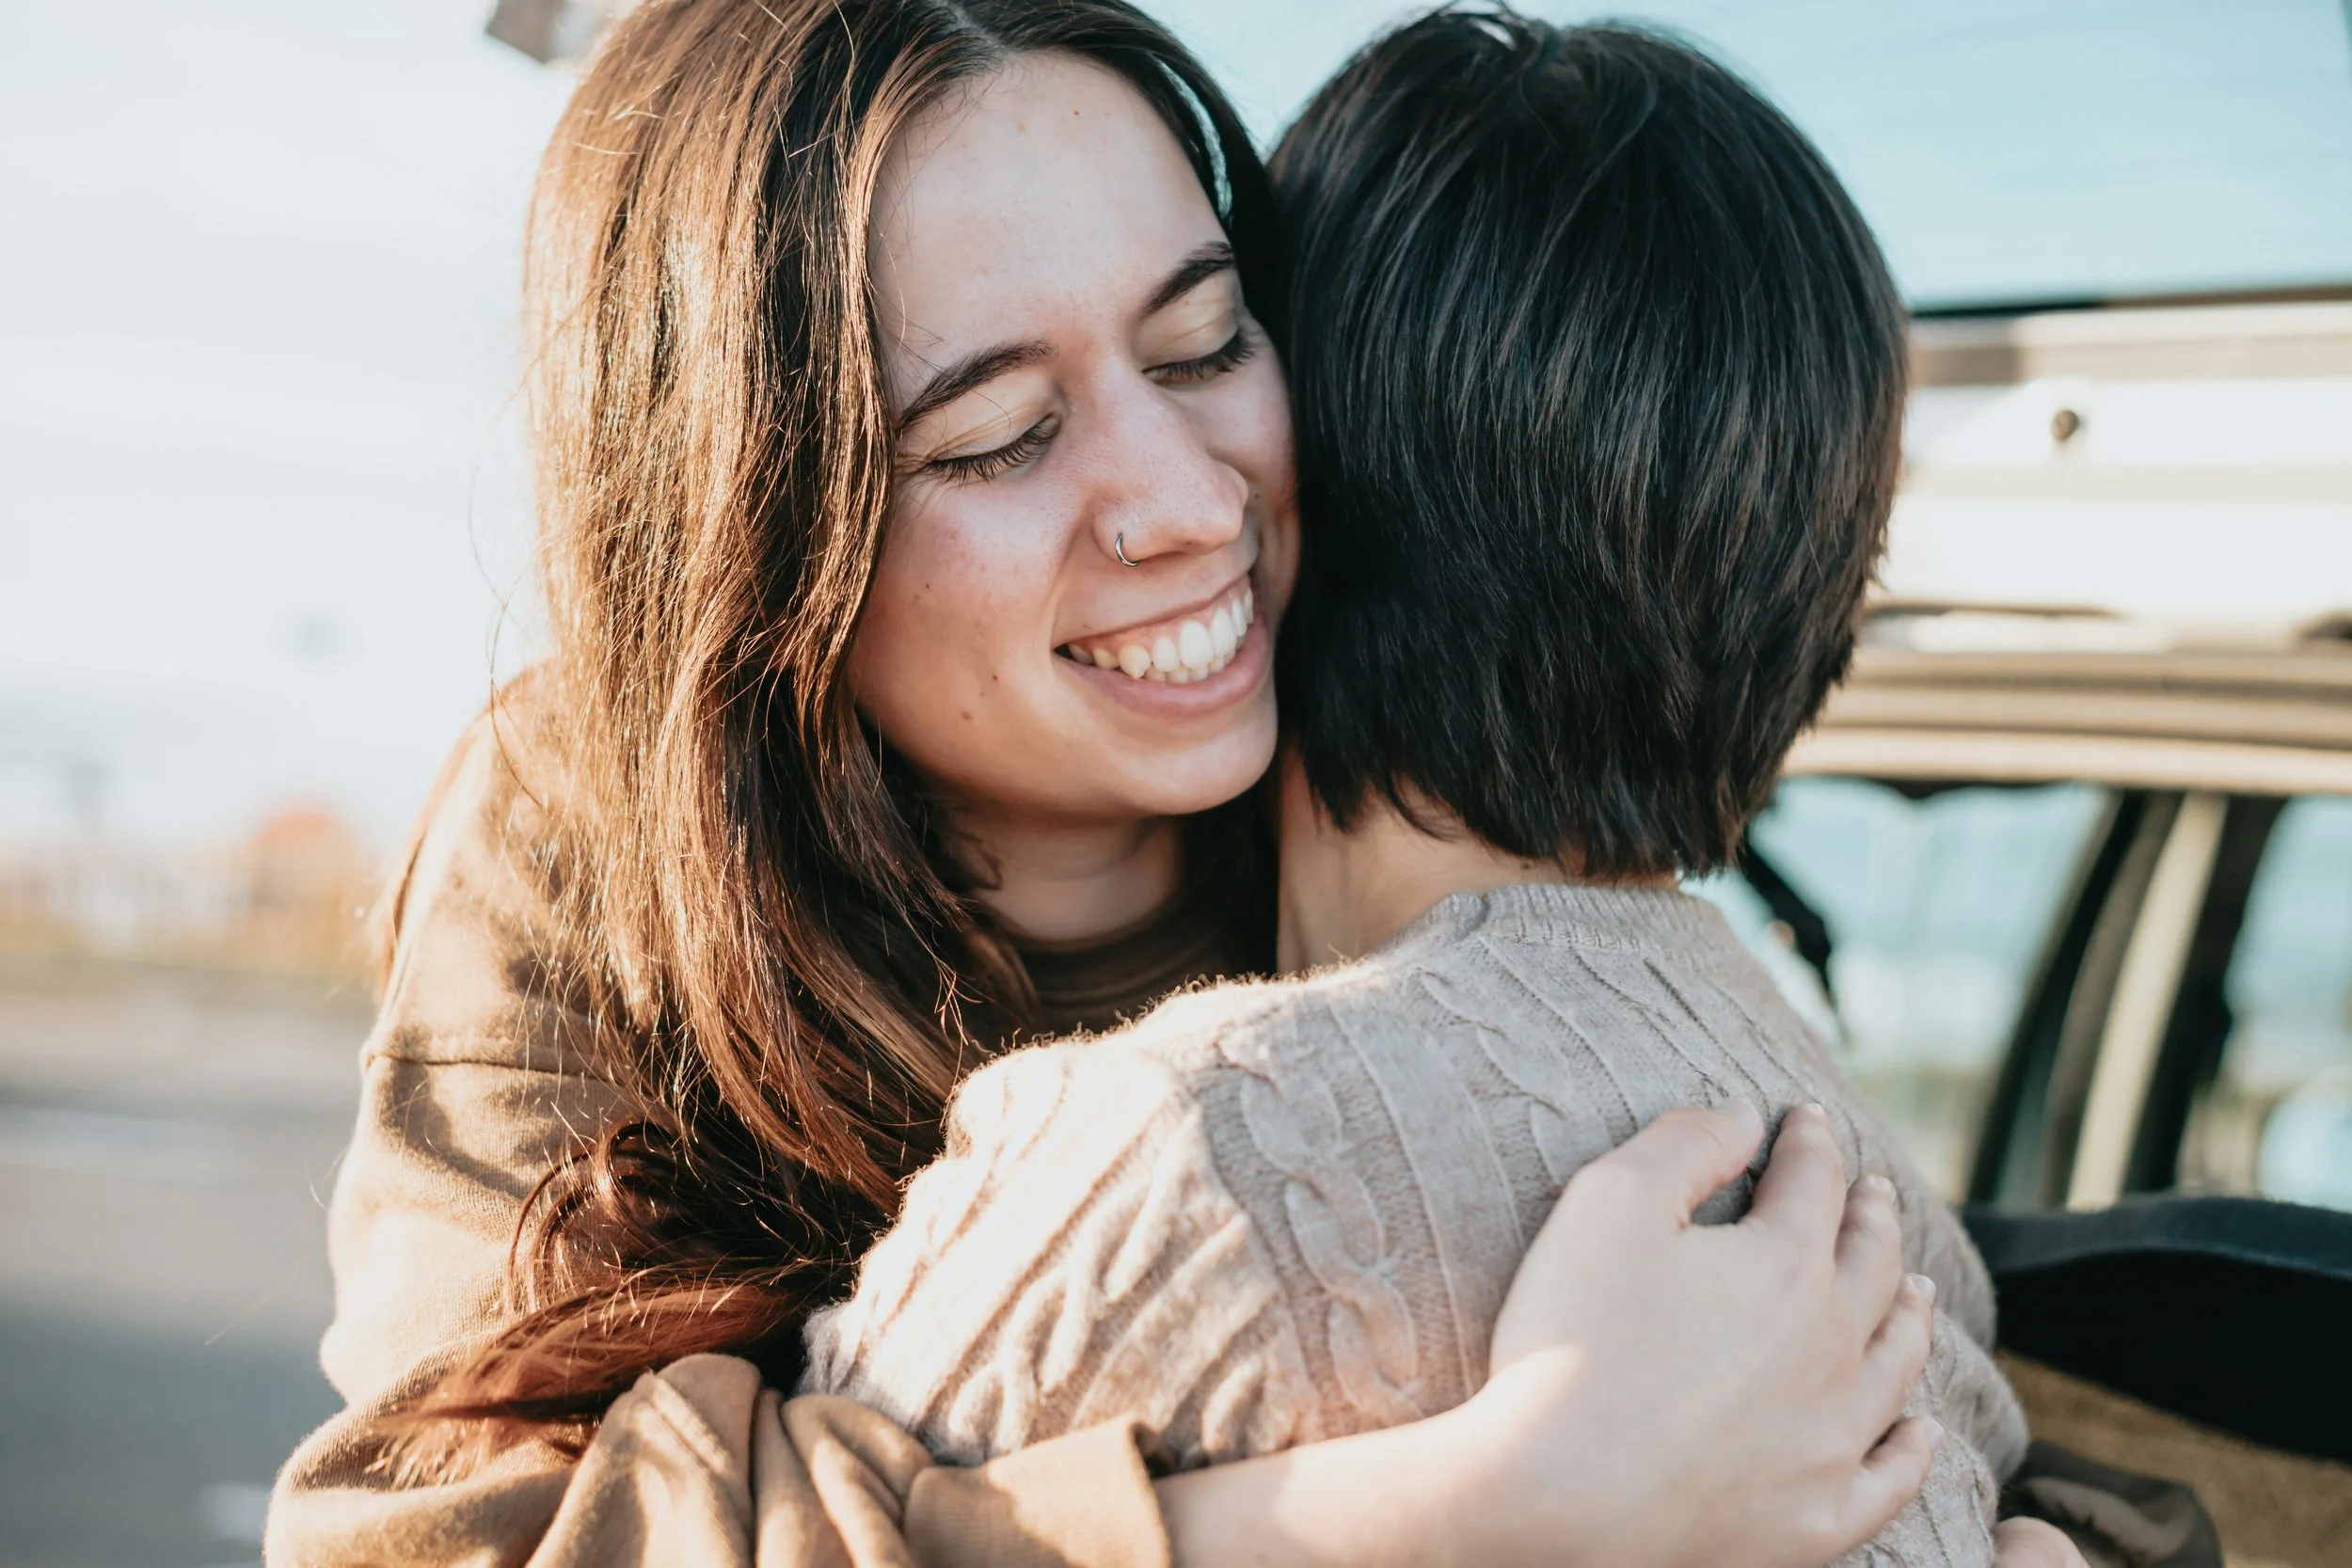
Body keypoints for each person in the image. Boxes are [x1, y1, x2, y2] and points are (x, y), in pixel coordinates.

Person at [265, 2, 2077, 1564]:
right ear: (752, 529)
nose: (1188, 500)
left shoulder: (1396, 776)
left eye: (1205, 341)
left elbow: (1957, 1367)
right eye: (999, 433)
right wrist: (1476, 1506)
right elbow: (443, 1530)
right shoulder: (592, 830)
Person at [800, 12, 2030, 1566]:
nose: (1183, 489)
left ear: (1328, 462)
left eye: (1202, 357)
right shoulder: (1894, 1225)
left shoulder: (1175, 1167)